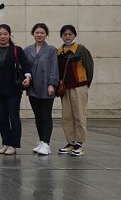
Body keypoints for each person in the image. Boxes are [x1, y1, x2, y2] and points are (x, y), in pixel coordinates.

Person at [0, 24, 31, 155]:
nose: (2, 36)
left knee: (14, 117)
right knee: (3, 118)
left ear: (10, 35)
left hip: (14, 89)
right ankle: (5, 143)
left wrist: (28, 77)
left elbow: (25, 66)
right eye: (0, 34)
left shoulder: (17, 50)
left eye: (5, 34)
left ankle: (13, 144)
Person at [57, 25, 94, 157]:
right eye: (65, 34)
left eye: (70, 34)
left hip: (79, 87)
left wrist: (86, 83)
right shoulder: (59, 51)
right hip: (65, 88)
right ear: (61, 36)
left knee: (79, 115)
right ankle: (71, 142)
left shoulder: (80, 49)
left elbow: (89, 66)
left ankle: (79, 144)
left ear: (74, 35)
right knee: (67, 116)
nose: (67, 36)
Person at [25, 23, 59, 156]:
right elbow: (25, 67)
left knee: (46, 115)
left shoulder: (51, 50)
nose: (39, 35)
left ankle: (47, 143)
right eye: (37, 32)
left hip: (46, 87)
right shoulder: (27, 50)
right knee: (38, 116)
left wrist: (52, 84)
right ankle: (41, 140)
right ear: (33, 34)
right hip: (33, 87)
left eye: (42, 33)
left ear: (46, 34)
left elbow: (54, 68)